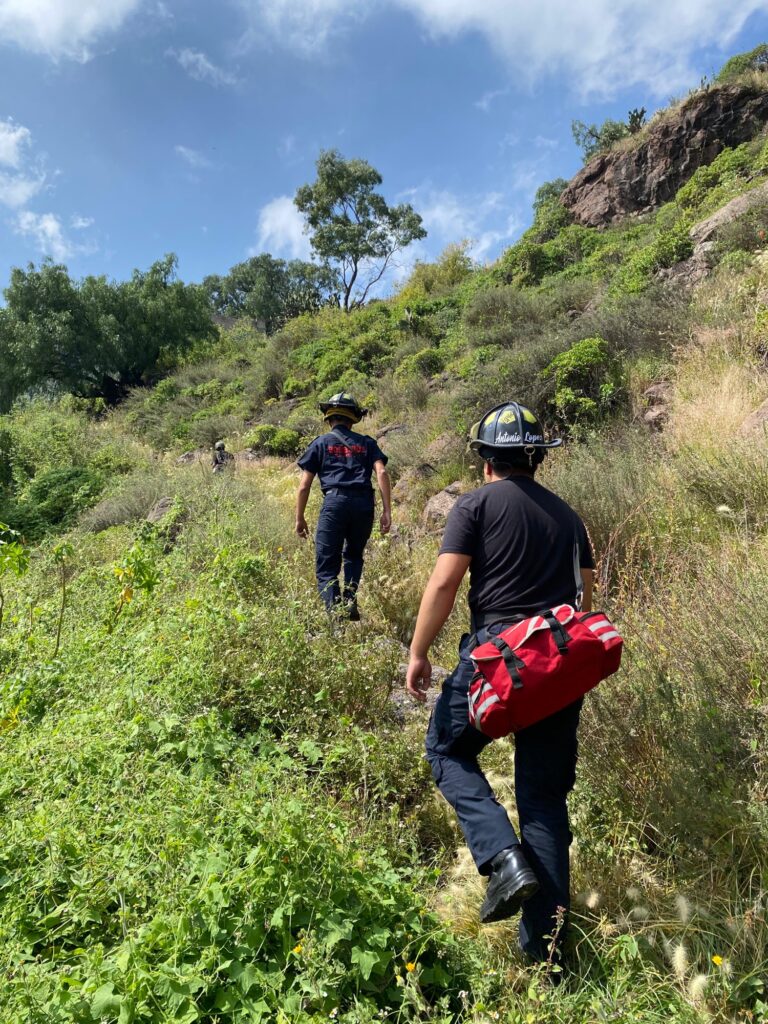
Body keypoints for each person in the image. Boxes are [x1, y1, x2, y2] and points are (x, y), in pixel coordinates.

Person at [405, 400, 595, 962]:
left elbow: (444, 584)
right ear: (537, 459)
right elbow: (586, 599)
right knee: (544, 801)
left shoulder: (475, 504)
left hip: (496, 656)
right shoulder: (570, 517)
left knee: (445, 749)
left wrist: (418, 652)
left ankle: (503, 859)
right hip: (555, 663)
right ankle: (547, 957)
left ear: (486, 460)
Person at [295, 392, 392, 620]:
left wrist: (299, 517)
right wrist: (387, 511)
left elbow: (304, 486)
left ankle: (335, 618)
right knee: (354, 555)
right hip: (363, 504)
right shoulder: (367, 443)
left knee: (327, 565)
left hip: (334, 503)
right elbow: (382, 473)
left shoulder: (320, 443)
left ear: (329, 418)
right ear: (352, 419)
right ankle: (349, 601)